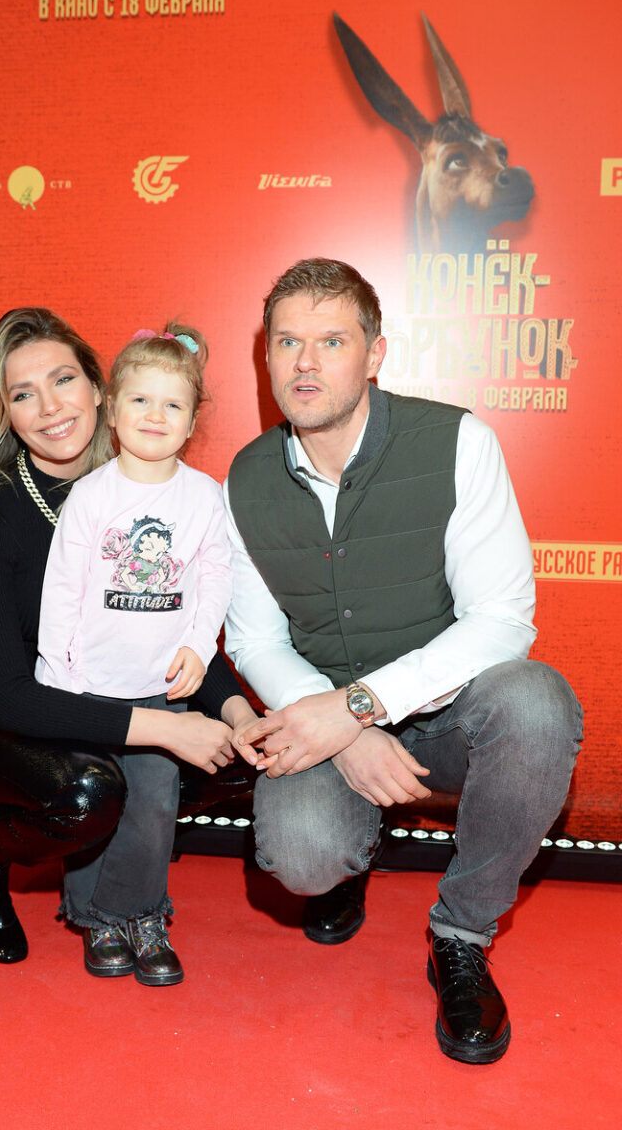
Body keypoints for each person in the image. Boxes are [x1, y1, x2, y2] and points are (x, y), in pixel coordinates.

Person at [224, 259, 583, 1064]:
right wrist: (347, 733)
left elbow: (502, 620)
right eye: (287, 341)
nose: (305, 362)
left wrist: (362, 706)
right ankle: (351, 855)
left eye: (331, 341)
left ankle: (462, 935)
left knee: (536, 703)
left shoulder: (457, 442)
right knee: (302, 858)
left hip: (449, 716)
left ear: (375, 354)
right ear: (265, 355)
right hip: (327, 718)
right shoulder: (243, 480)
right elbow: (254, 640)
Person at [0, 307, 256, 971]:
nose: (49, 407)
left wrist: (237, 711)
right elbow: (12, 697)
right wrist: (167, 729)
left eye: (63, 379)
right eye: (23, 394)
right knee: (90, 791)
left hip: (115, 686)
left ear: (101, 389)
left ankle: (133, 865)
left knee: (239, 754)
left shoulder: (149, 483)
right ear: (5, 413)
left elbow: (169, 620)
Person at [35, 324, 233, 986]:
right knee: (97, 808)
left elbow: (216, 580)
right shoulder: (92, 496)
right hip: (88, 689)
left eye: (173, 404)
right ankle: (95, 918)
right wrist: (57, 679)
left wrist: (198, 646)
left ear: (192, 421)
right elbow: (62, 590)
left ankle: (144, 915)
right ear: (113, 410)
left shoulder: (204, 497)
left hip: (160, 690)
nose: (155, 415)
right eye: (141, 400)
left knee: (152, 809)